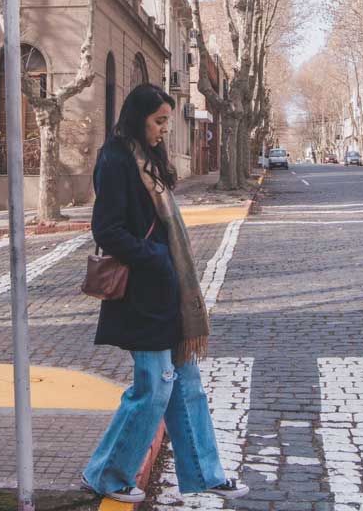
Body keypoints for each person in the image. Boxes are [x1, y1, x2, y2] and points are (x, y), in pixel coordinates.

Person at [80, 83, 249, 504]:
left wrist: (163, 265)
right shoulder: (117, 159)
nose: (162, 130)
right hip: (141, 293)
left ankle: (205, 472)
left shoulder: (147, 159)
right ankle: (105, 473)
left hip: (166, 294)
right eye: (158, 121)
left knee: (187, 384)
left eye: (165, 122)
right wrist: (153, 257)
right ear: (138, 117)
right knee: (152, 387)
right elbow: (107, 229)